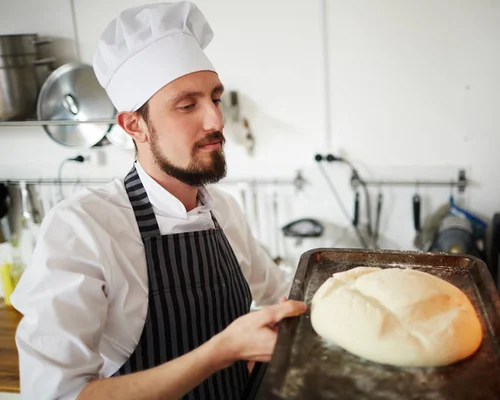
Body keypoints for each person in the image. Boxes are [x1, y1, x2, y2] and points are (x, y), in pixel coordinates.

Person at [10, 2, 307, 399]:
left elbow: (284, 296)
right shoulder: (83, 229)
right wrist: (223, 351)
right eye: (188, 105)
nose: (216, 121)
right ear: (135, 125)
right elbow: (58, 395)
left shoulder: (224, 211)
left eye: (215, 99)